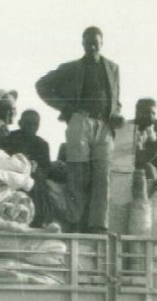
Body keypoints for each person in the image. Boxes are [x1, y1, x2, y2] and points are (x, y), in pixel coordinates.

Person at [35, 26, 123, 233]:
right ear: (82, 44)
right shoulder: (72, 68)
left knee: (103, 175)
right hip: (81, 121)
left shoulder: (112, 68)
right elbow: (42, 85)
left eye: (95, 42)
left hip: (104, 124)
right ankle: (75, 220)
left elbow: (116, 99)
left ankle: (98, 225)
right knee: (78, 172)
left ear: (102, 43)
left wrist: (116, 114)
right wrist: (65, 108)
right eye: (88, 42)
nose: (92, 46)